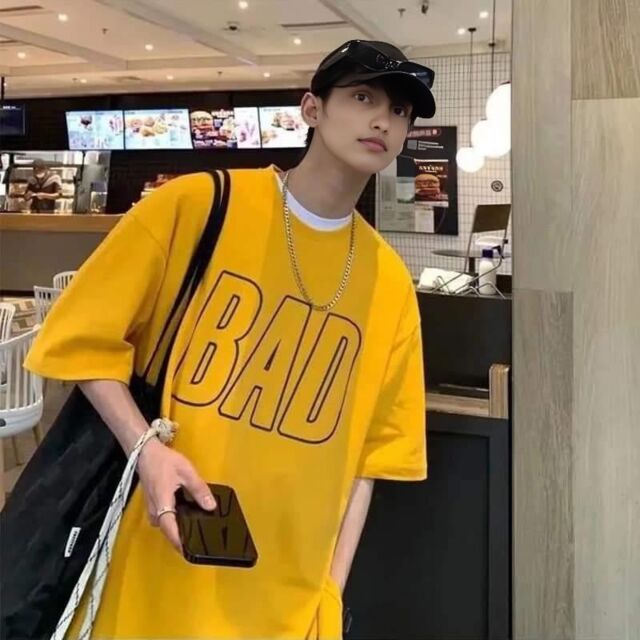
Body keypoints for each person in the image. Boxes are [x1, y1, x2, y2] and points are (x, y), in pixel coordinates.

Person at [25, 40, 435, 639]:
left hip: (285, 598)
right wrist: (147, 449)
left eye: (400, 111)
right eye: (363, 97)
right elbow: (82, 338)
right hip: (156, 560)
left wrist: (328, 593)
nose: (382, 120)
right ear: (312, 109)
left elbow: (369, 461)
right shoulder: (198, 205)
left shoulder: (389, 283)